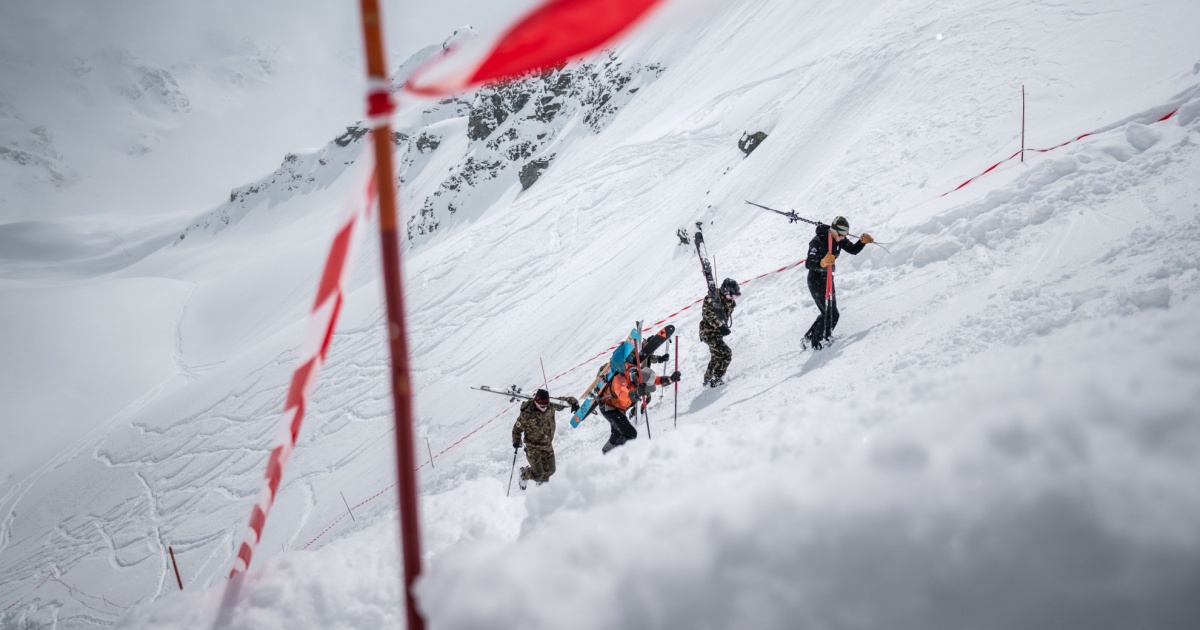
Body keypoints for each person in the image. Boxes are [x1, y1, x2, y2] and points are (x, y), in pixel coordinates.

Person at [803, 216, 873, 349]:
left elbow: (852, 250)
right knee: (830, 314)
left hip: (828, 279)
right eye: (841, 235)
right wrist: (822, 262)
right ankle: (817, 343)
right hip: (816, 280)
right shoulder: (818, 241)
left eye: (845, 235)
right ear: (833, 230)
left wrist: (862, 242)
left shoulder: (839, 239)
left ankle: (809, 338)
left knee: (830, 313)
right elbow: (809, 263)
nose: (843, 238)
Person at [597, 355, 679, 454]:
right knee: (630, 434)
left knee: (617, 434)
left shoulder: (639, 375)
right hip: (609, 408)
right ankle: (614, 455)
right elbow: (622, 394)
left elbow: (655, 380)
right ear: (639, 380)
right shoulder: (620, 379)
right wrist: (636, 393)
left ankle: (605, 453)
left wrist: (670, 379)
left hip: (619, 408)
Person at [512, 389, 578, 489]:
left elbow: (565, 401)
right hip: (532, 447)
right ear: (536, 402)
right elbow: (516, 429)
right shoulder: (527, 414)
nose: (545, 408)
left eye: (546, 405)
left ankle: (542, 486)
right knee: (538, 474)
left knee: (551, 470)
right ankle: (524, 473)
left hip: (547, 444)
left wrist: (574, 403)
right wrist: (516, 441)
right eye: (542, 406)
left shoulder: (551, 405)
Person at [700, 278, 740, 387]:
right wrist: (720, 325)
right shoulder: (712, 298)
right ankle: (717, 378)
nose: (733, 299)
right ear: (726, 291)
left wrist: (723, 326)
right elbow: (708, 315)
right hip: (708, 332)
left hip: (717, 333)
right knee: (726, 354)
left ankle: (708, 378)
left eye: (736, 297)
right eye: (733, 295)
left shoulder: (730, 302)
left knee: (716, 356)